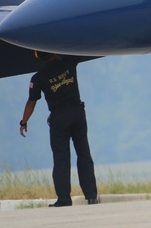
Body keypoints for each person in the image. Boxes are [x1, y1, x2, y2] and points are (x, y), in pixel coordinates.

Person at [20, 52, 99, 206]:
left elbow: (31, 102)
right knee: (84, 155)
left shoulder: (38, 78)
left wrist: (24, 122)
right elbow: (77, 46)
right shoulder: (69, 62)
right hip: (77, 113)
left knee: (61, 159)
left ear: (38, 58)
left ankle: (64, 200)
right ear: (54, 52)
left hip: (59, 118)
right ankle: (91, 196)